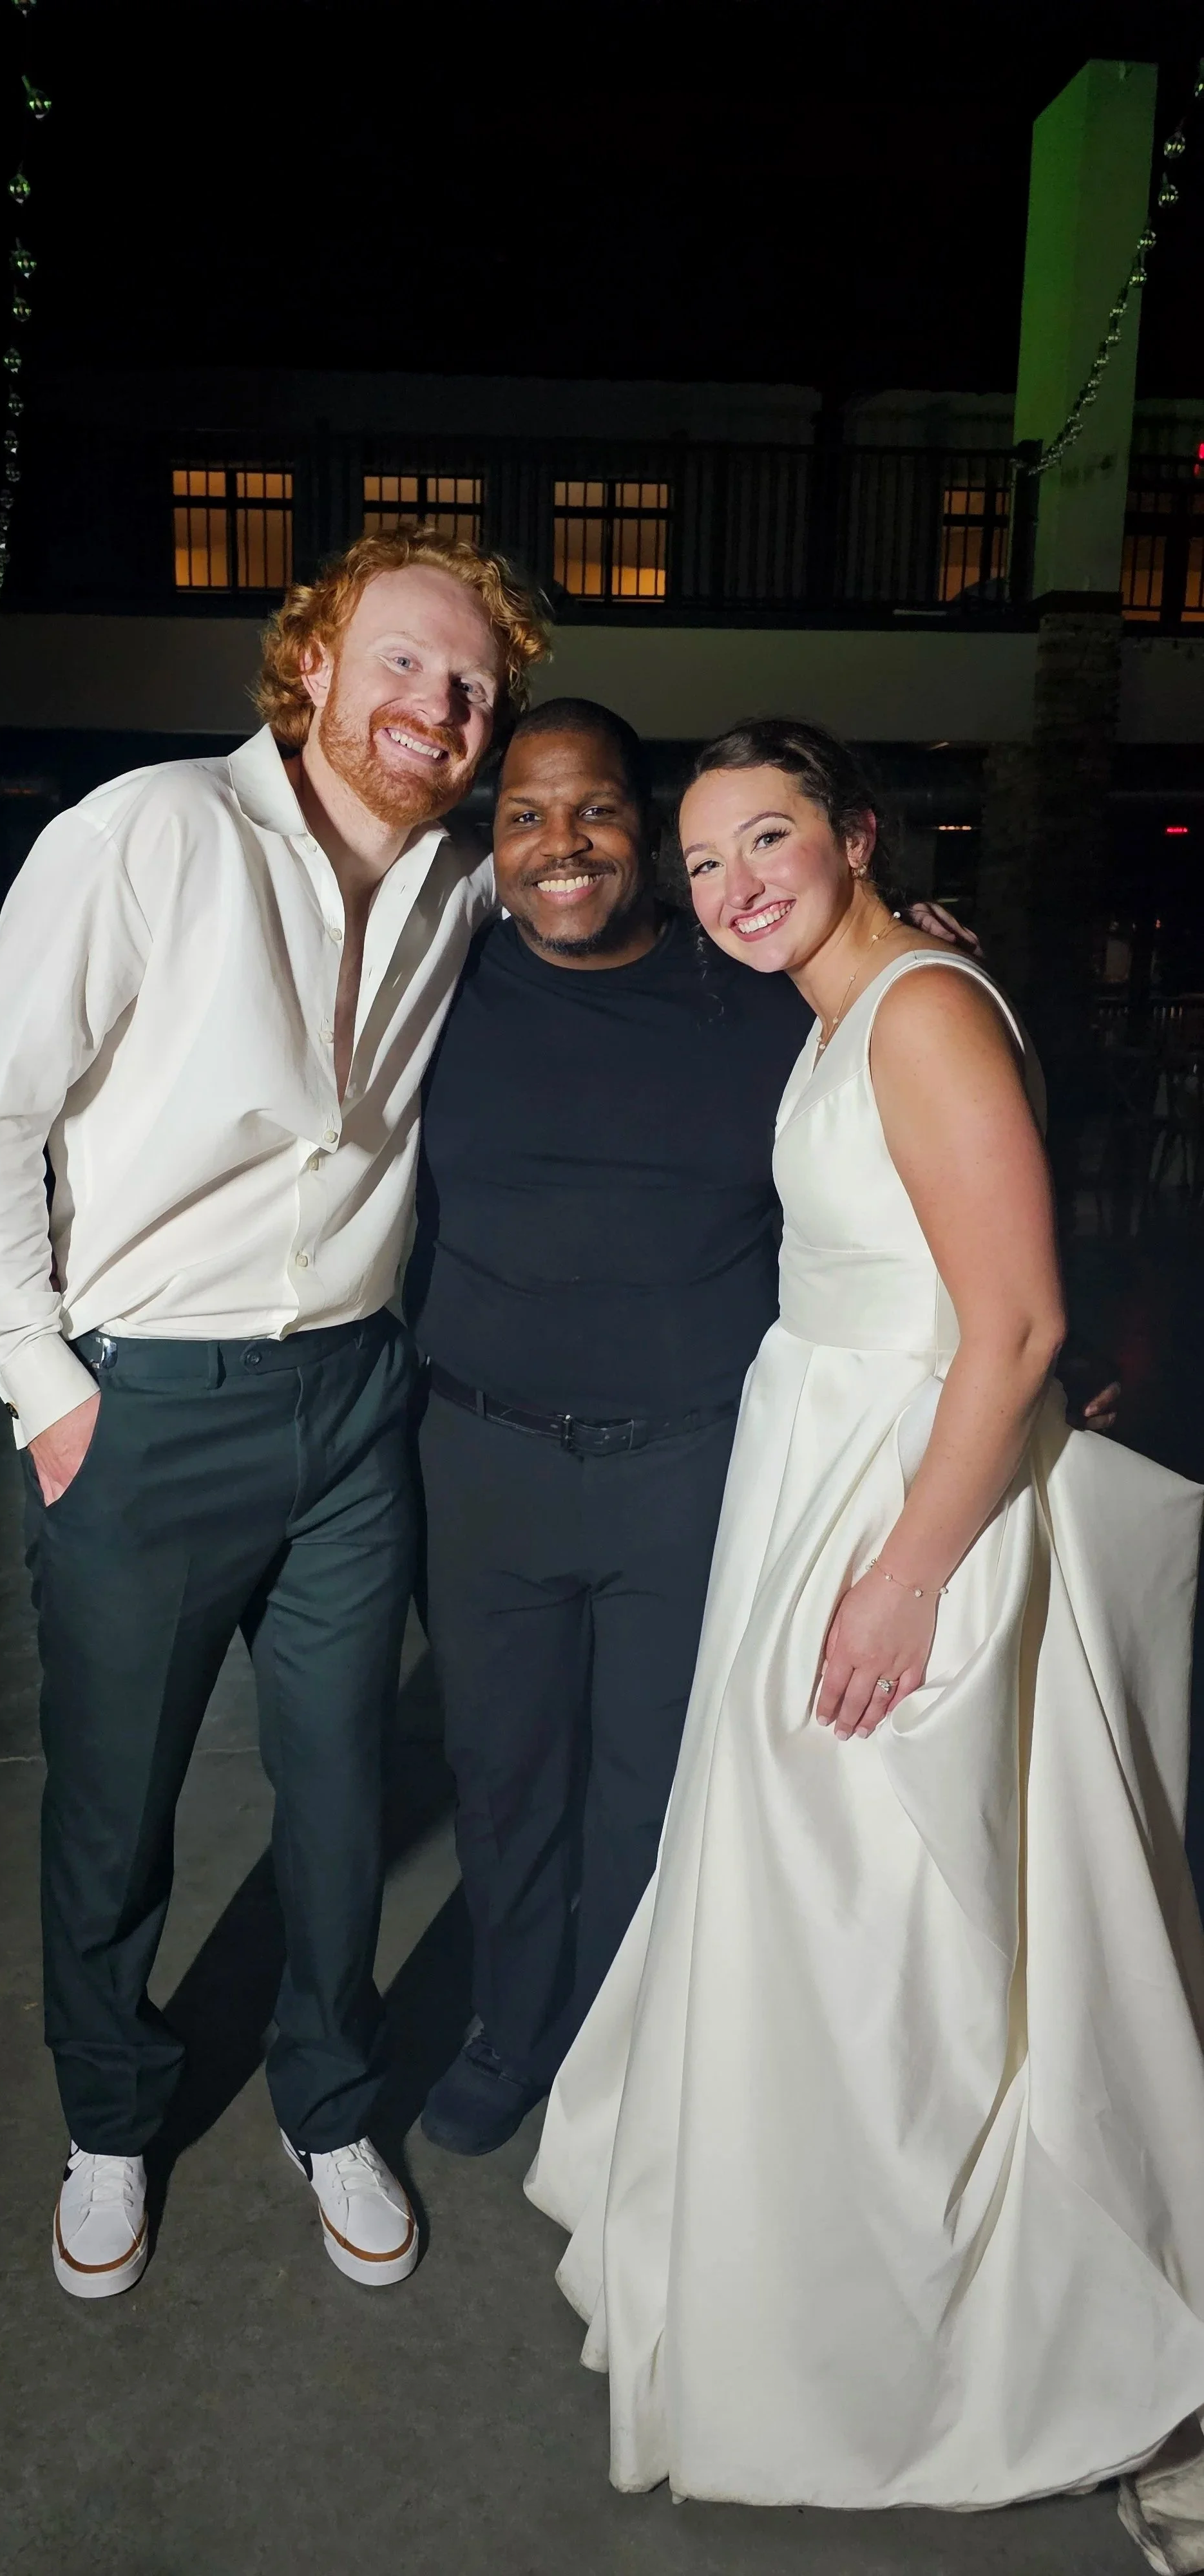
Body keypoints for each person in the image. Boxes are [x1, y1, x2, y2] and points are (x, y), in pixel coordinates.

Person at [526, 718, 1204, 2548]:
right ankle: (817, 2269)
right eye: (707, 863)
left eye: (770, 841)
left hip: (907, 1492)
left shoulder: (914, 1007)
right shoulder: (852, 1002)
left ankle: (971, 2319)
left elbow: (1013, 1327)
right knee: (812, 1895)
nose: (737, 887)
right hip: (822, 1462)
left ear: (853, 834)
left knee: (883, 1899)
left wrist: (905, 1574)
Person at [0, 526, 547, 2299]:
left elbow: (637, 912)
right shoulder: (149, 833)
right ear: (311, 670)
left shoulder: (461, 883)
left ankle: (327, 2098)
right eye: (405, 663)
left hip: (356, 1393)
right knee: (112, 1808)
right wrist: (45, 1390)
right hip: (146, 1401)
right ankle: (113, 2122)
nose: (437, 704)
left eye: (471, 684)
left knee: (344, 1789)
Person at [410, 701, 1017, 2158]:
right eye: (526, 816)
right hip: (481, 1455)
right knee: (501, 1777)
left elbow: (932, 1102)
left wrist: (935, 944)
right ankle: (511, 2028)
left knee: (656, 1792)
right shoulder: (442, 982)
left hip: (694, 1463)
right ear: (488, 847)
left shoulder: (760, 991)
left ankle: (628, 2057)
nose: (565, 844)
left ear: (643, 833)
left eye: (601, 811)